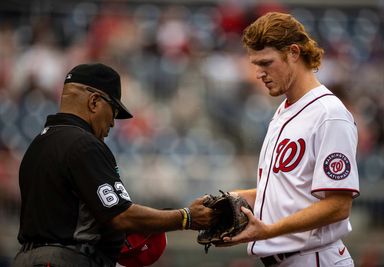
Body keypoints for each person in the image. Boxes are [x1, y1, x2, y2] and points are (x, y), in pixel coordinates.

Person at [13, 63, 214, 267]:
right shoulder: (84, 144)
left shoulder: (37, 145)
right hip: (65, 260)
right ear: (94, 102)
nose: (112, 123)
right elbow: (120, 215)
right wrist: (186, 217)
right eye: (113, 111)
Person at [221, 12, 360, 267]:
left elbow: (338, 205)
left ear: (294, 52)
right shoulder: (284, 109)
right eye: (256, 64)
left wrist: (268, 231)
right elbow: (287, 191)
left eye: (266, 63)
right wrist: (235, 197)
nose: (259, 73)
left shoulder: (329, 113)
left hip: (316, 259)